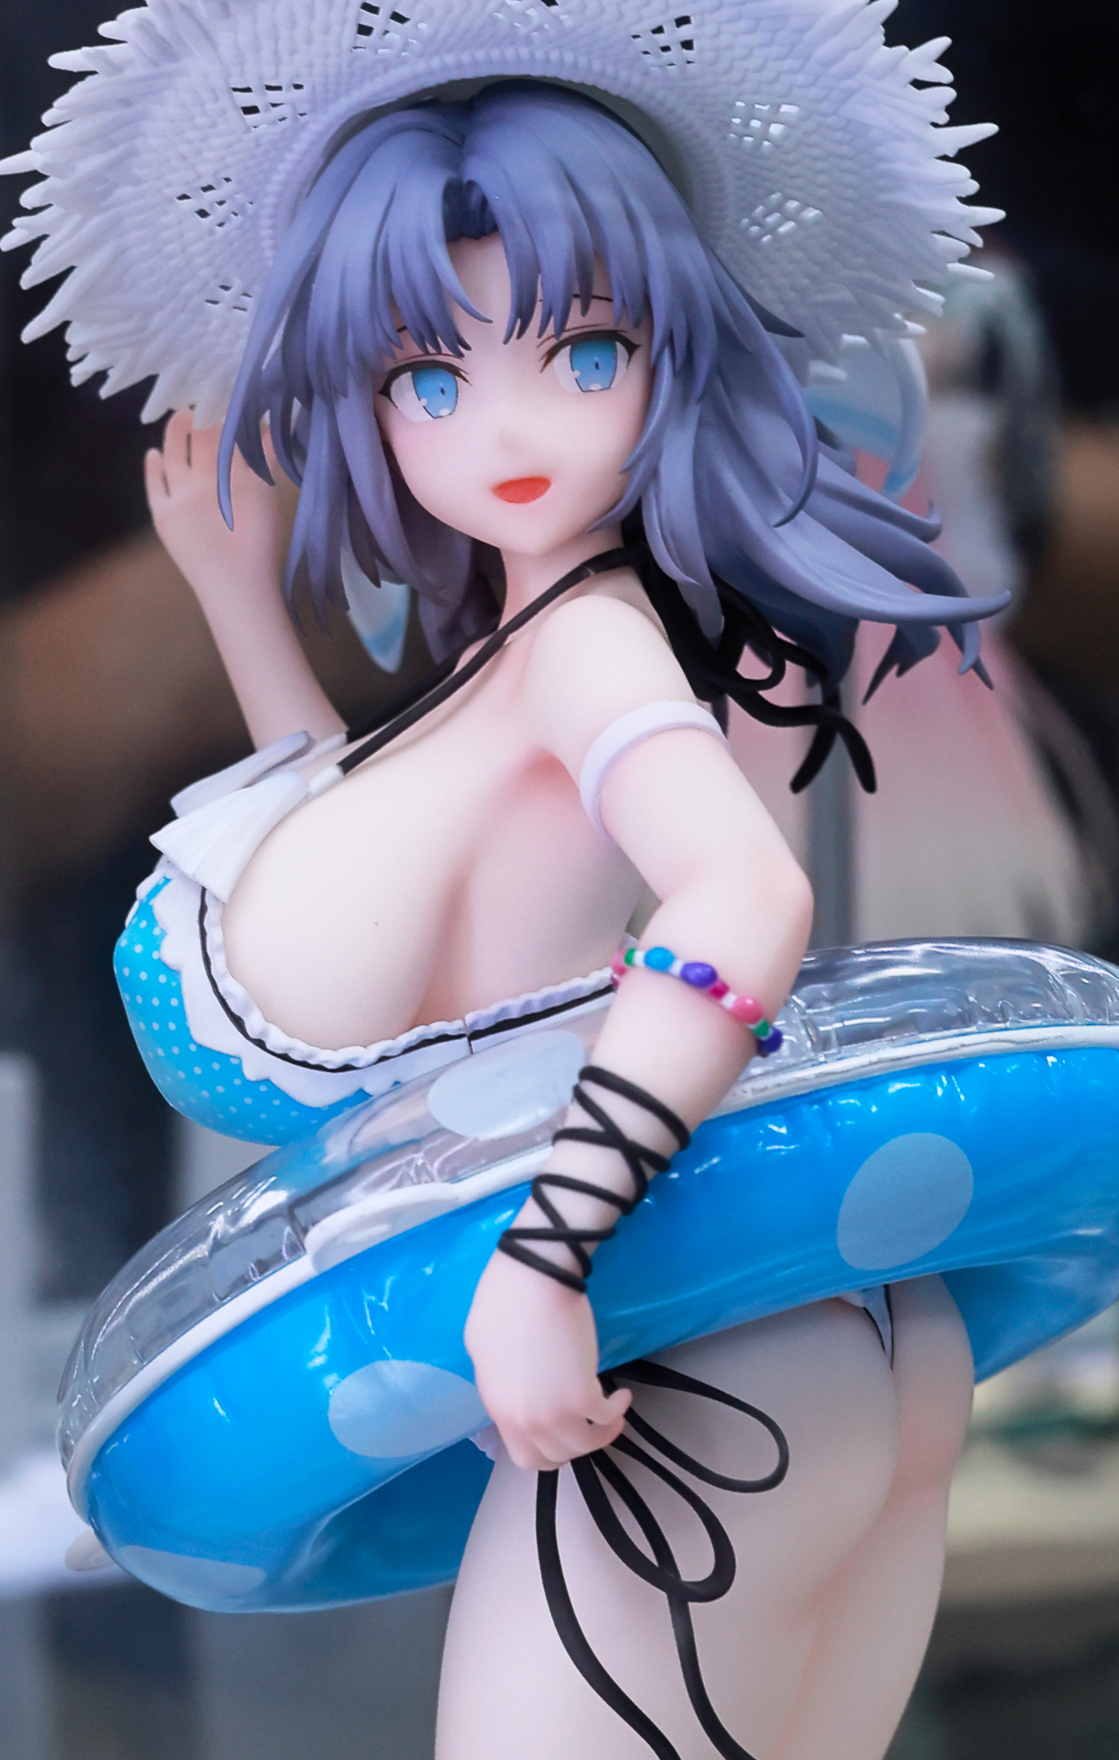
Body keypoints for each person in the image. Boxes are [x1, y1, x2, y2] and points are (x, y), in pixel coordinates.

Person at [5, 11, 1006, 1758]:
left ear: (674, 349)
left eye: (585, 348)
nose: (507, 429)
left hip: (675, 1346)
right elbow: (365, 860)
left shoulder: (591, 649)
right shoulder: (525, 650)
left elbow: (744, 902)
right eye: (428, 381)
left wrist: (547, 1260)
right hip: (730, 1348)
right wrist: (239, 599)